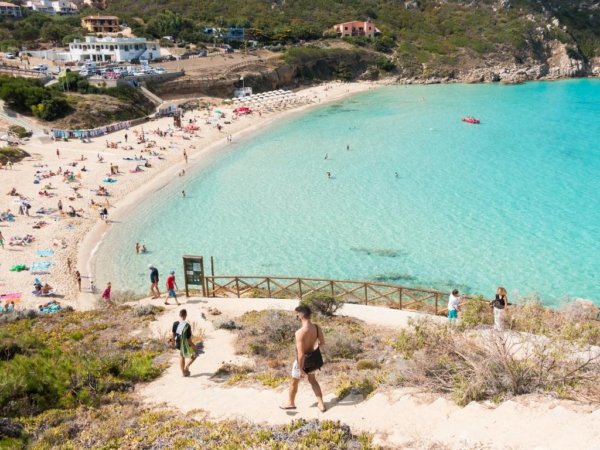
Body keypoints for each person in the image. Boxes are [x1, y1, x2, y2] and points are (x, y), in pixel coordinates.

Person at [280, 305, 326, 412]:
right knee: (313, 380)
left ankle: (290, 403)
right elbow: (322, 343)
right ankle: (321, 404)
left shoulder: (299, 333)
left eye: (297, 315)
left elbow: (300, 354)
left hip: (302, 362)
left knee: (293, 382)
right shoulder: (317, 327)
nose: (296, 317)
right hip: (313, 359)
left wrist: (301, 370)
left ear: (301, 316)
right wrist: (313, 347)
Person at [172, 309, 197, 376]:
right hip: (186, 344)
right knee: (194, 355)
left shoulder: (175, 323)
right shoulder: (187, 325)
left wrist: (173, 343)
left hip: (178, 343)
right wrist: (193, 346)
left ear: (179, 315)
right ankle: (186, 367)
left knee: (182, 356)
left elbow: (173, 335)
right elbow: (188, 339)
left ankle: (183, 372)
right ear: (185, 315)